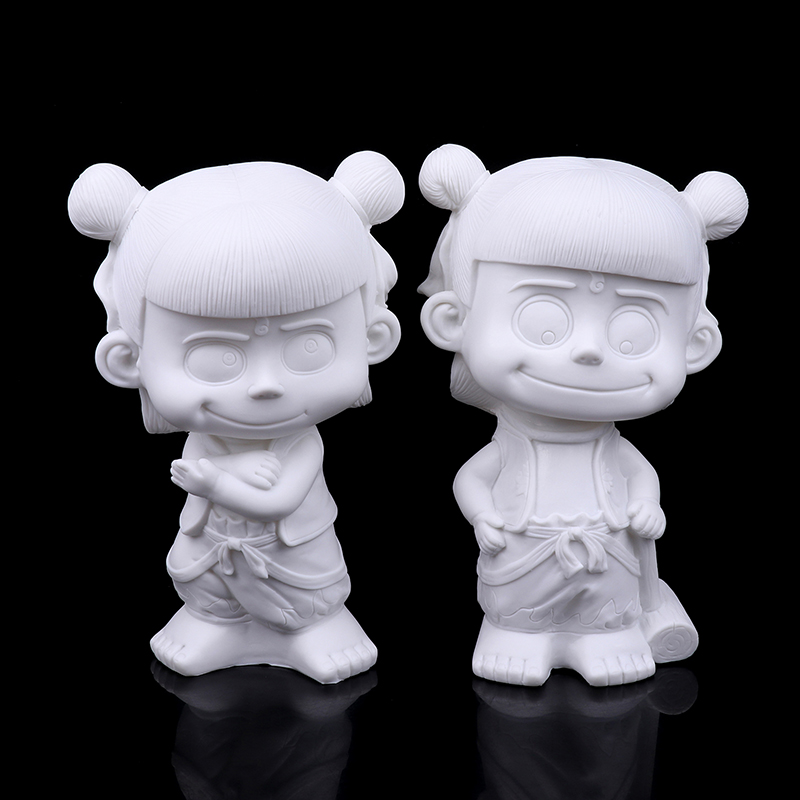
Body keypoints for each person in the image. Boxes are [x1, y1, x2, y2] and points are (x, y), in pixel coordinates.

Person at [418, 144, 747, 686]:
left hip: (607, 552)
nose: (589, 351)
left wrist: (646, 505)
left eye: (633, 330)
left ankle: (605, 634)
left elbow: (640, 474)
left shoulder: (609, 444)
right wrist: (482, 516)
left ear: (695, 345)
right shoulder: (512, 442)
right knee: (516, 597)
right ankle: (514, 633)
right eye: (544, 322)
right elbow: (470, 478)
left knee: (608, 596)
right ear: (454, 320)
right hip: (524, 550)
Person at [69, 153, 403, 683]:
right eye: (217, 357)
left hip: (293, 555)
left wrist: (216, 483)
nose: (266, 385)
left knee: (307, 584)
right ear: (129, 360)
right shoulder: (205, 440)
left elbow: (280, 501)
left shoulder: (301, 444)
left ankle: (314, 626)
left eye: (309, 347)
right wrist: (222, 476)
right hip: (214, 549)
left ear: (374, 338)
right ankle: (215, 621)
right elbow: (199, 476)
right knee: (204, 579)